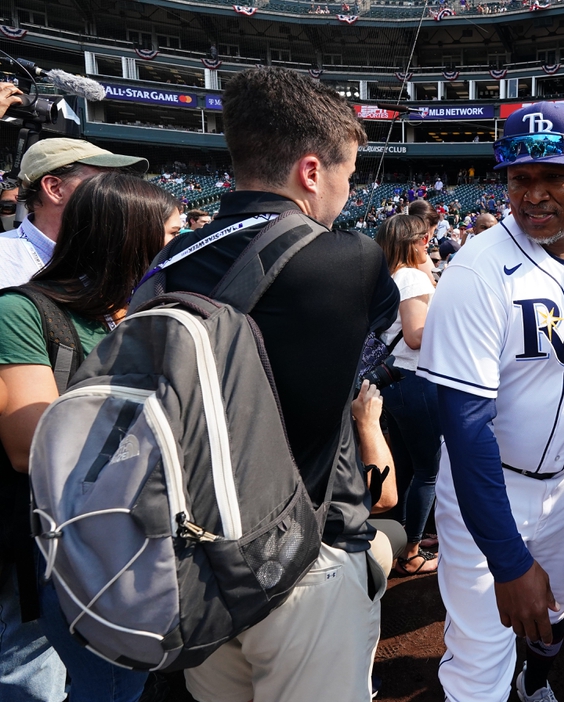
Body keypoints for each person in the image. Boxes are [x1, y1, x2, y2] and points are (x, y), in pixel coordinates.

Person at [145, 66, 400, 702]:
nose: (346, 193)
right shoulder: (352, 258)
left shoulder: (163, 261)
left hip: (194, 564)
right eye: (344, 176)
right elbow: (377, 361)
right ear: (311, 172)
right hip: (302, 563)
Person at [417, 100, 564, 702]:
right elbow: (464, 429)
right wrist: (507, 559)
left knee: (552, 612)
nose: (532, 193)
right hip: (489, 483)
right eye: (519, 178)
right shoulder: (474, 272)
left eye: (552, 175)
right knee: (480, 659)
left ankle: (534, 684)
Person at [0, 172, 179, 702]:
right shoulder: (22, 310)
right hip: (51, 543)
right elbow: (27, 445)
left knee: (125, 682)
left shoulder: (140, 313)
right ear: (130, 237)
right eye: (170, 234)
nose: (181, 244)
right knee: (42, 677)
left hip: (127, 541)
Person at [372, 214, 442, 576]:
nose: (427, 243)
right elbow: (417, 335)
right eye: (422, 239)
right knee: (428, 471)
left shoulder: (389, 276)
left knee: (405, 466)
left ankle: (398, 538)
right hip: (415, 378)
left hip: (394, 380)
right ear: (410, 243)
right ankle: (412, 552)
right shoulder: (411, 276)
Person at [0, 138, 148, 288]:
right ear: (55, 189)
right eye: (103, 182)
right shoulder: (4, 256)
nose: (116, 192)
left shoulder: (116, 258)